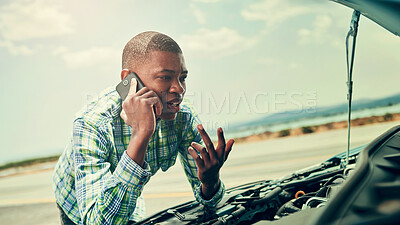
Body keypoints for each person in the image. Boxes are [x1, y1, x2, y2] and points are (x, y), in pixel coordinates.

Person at [53, 31, 235, 225]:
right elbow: (97, 221)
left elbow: (211, 200)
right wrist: (141, 133)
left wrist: (210, 182)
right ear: (129, 80)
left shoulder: (183, 117)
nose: (179, 89)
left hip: (127, 190)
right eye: (165, 77)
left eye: (182, 78)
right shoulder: (92, 124)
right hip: (78, 204)